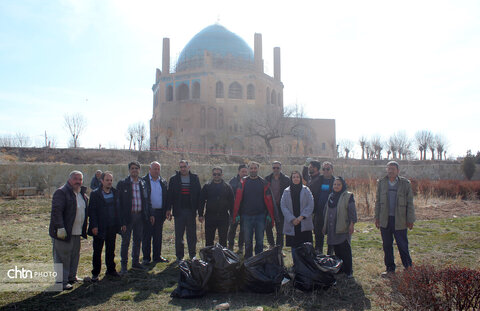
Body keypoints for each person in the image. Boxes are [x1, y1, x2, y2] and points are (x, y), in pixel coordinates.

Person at [375, 161, 415, 277]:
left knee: (402, 245)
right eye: (389, 168)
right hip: (385, 219)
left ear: (398, 170)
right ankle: (390, 269)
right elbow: (377, 201)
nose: (390, 171)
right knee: (387, 245)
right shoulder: (382, 183)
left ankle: (408, 269)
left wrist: (410, 219)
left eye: (393, 169)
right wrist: (377, 217)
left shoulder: (405, 183)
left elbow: (410, 203)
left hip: (400, 220)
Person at [49, 170, 88, 290]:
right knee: (62, 257)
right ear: (70, 180)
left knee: (74, 255)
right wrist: (60, 227)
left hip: (76, 232)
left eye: (80, 179)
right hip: (64, 232)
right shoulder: (61, 192)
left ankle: (72, 276)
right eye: (76, 179)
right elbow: (56, 211)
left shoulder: (81, 193)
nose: (78, 182)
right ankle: (61, 282)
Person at [232, 161, 275, 259]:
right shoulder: (243, 182)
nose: (253, 170)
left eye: (255, 168)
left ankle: (258, 260)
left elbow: (269, 201)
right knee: (247, 241)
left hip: (260, 216)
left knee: (259, 241)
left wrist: (269, 214)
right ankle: (248, 260)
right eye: (251, 168)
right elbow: (238, 199)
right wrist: (237, 213)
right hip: (246, 216)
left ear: (258, 169)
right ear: (248, 169)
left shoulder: (264, 183)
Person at [117, 161, 153, 274]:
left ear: (139, 170)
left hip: (140, 216)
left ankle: (136, 263)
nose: (134, 170)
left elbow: (147, 200)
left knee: (138, 240)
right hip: (128, 217)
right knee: (125, 242)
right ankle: (124, 266)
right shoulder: (123, 184)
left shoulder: (143, 183)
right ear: (129, 170)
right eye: (132, 168)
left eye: (136, 168)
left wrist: (150, 214)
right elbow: (119, 204)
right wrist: (121, 221)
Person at [87, 171, 121, 281]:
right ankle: (95, 273)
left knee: (111, 250)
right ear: (102, 181)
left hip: (112, 227)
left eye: (111, 180)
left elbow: (118, 210)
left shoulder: (115, 192)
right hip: (100, 227)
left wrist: (120, 224)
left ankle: (111, 270)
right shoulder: (95, 194)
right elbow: (92, 211)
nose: (109, 182)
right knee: (97, 251)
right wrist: (94, 226)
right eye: (107, 180)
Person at [167, 160, 201, 261]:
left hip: (191, 211)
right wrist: (168, 209)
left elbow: (199, 195)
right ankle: (179, 256)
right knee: (179, 236)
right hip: (179, 212)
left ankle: (192, 255)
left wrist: (200, 212)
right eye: (181, 167)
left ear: (188, 167)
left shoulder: (195, 178)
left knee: (191, 235)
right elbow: (170, 196)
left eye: (184, 167)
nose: (182, 169)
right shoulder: (174, 179)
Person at [322, 177, 357, 278]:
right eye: (335, 184)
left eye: (339, 184)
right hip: (332, 228)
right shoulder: (330, 196)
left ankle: (348, 271)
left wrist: (352, 224)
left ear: (343, 186)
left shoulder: (348, 196)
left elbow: (352, 212)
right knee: (337, 250)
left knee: (345, 250)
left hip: (343, 227)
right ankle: (340, 269)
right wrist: (325, 225)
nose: (336, 186)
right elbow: (326, 212)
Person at [303, 160, 335, 254]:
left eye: (328, 169)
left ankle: (330, 253)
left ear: (332, 170)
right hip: (318, 211)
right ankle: (318, 252)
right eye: (324, 169)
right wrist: (306, 165)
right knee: (318, 233)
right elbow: (306, 177)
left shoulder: (335, 181)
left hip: (331, 212)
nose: (325, 171)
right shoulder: (317, 179)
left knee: (331, 234)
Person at [280, 171, 314, 260]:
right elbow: (283, 206)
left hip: (303, 221)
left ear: (300, 178)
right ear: (291, 179)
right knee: (294, 246)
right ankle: (296, 264)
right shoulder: (286, 191)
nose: (296, 179)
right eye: (294, 177)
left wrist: (301, 217)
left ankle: (306, 265)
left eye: (297, 177)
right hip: (292, 223)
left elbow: (311, 204)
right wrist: (292, 219)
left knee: (305, 246)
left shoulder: (306, 190)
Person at [198, 167, 234, 247]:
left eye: (218, 174)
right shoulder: (207, 186)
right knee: (209, 239)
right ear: (212, 175)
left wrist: (232, 215)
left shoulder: (227, 187)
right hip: (210, 216)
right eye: (214, 174)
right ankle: (209, 257)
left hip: (223, 216)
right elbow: (201, 201)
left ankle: (222, 257)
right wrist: (200, 214)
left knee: (223, 239)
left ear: (222, 175)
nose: (216, 176)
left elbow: (232, 202)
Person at [142, 161, 169, 264]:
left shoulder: (163, 181)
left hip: (160, 213)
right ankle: (146, 258)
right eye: (154, 168)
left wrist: (167, 209)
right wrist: (150, 213)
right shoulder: (143, 181)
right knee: (147, 236)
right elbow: (144, 199)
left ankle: (157, 257)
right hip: (148, 213)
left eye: (158, 169)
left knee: (158, 236)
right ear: (150, 169)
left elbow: (166, 198)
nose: (156, 171)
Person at [265, 161, 290, 252]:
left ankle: (279, 249)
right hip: (269, 208)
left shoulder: (286, 180)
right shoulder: (267, 179)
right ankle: (271, 245)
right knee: (268, 227)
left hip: (281, 208)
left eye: (277, 168)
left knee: (280, 230)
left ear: (281, 168)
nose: (276, 169)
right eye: (274, 168)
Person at [227, 164, 248, 252]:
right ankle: (230, 245)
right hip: (234, 209)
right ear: (238, 172)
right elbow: (229, 196)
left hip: (245, 210)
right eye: (242, 171)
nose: (244, 173)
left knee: (243, 230)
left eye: (245, 172)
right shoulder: (232, 181)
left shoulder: (249, 180)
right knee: (232, 228)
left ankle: (240, 246)